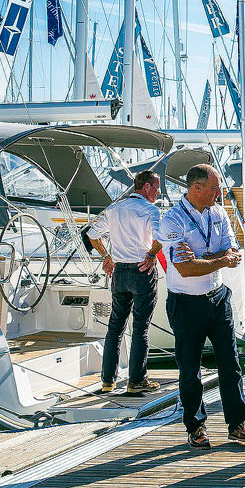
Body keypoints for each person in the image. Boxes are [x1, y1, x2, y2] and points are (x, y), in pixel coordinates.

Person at [158, 164, 245, 449]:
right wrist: (219, 258)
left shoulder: (219, 212)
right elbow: (186, 269)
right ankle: (196, 426)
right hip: (186, 302)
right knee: (190, 369)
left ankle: (237, 423)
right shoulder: (172, 220)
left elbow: (232, 250)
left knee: (231, 364)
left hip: (217, 296)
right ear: (196, 188)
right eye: (215, 188)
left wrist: (208, 258)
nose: (219, 193)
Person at [86, 169, 163, 395]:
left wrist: (106, 256)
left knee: (115, 327)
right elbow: (161, 238)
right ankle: (136, 380)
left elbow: (92, 234)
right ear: (146, 187)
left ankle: (108, 380)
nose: (158, 193)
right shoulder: (150, 210)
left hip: (119, 272)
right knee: (140, 327)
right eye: (156, 188)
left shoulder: (114, 209)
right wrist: (151, 256)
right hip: (141, 270)